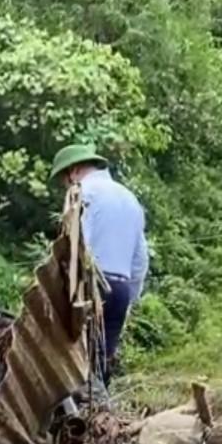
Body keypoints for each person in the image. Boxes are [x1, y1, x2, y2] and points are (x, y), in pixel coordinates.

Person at [51, 144, 149, 386]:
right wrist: (130, 298)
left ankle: (81, 417)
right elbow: (140, 258)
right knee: (102, 361)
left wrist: (66, 292)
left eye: (65, 180)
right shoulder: (129, 198)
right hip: (121, 288)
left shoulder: (82, 192)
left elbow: (76, 244)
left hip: (91, 286)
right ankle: (103, 416)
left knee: (76, 361)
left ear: (73, 172)